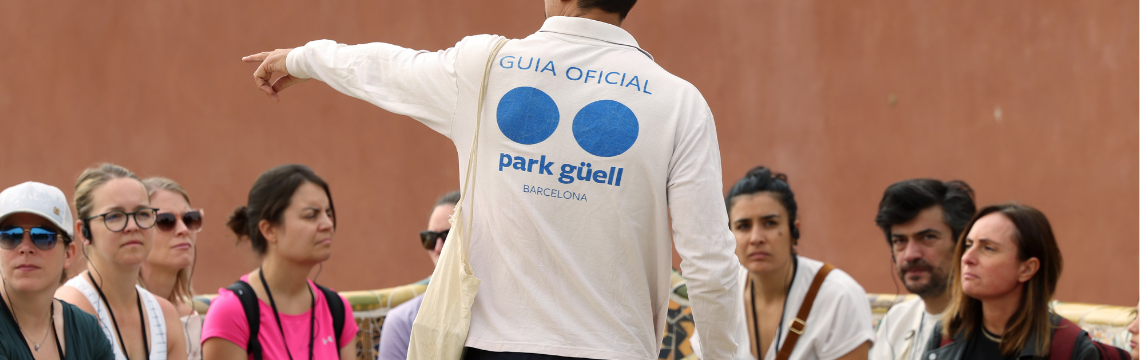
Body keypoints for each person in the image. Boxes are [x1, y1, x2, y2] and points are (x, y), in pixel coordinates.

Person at [242, 0, 742, 359]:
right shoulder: (679, 102)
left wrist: (303, 58)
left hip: (492, 346)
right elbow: (710, 263)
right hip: (613, 348)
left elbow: (386, 67)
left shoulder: (486, 65)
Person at [691, 166, 874, 360]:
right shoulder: (721, 294)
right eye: (743, 226)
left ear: (794, 232)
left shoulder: (839, 296)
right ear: (729, 236)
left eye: (770, 223)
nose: (756, 238)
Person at [201, 164, 358, 360]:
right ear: (269, 230)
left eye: (328, 213)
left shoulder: (337, 310)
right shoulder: (232, 312)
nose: (327, 225)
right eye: (311, 215)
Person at [923, 203, 1100, 359]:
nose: (967, 258)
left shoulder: (1069, 349)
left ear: (1027, 269)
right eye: (968, 245)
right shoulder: (946, 335)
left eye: (988, 248)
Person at [55, 164, 188, 360]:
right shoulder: (70, 310)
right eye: (115, 216)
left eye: (142, 213)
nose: (132, 226)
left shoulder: (164, 316)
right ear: (83, 231)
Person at [0, 181, 115, 359]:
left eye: (43, 236)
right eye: (10, 235)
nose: (25, 248)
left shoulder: (87, 330)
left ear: (68, 255)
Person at [870, 179, 976, 360]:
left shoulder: (993, 325)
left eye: (928, 237)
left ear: (962, 244)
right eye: (900, 241)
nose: (911, 255)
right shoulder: (897, 320)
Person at [376, 190, 458, 360]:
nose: (437, 248)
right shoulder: (403, 322)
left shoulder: (501, 313)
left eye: (448, 236)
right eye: (430, 238)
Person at [140, 177, 204, 360]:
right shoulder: (113, 312)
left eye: (190, 218)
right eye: (166, 221)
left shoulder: (189, 317)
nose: (183, 229)